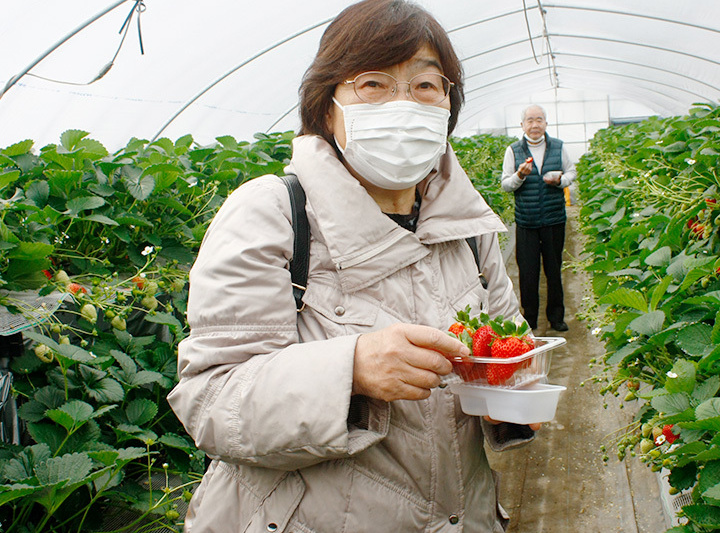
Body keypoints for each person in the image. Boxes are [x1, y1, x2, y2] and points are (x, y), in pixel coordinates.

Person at [167, 1, 544, 532]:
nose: (404, 104)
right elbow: (211, 402)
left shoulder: (469, 227)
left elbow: (512, 354)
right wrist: (351, 371)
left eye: (425, 85)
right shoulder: (273, 214)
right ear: (327, 108)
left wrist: (508, 396)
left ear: (447, 106)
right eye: (372, 84)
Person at [500, 105, 577, 332]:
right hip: (527, 222)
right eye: (530, 120)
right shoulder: (513, 150)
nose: (535, 125)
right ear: (522, 124)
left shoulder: (558, 147)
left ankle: (556, 317)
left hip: (554, 220)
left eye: (539, 120)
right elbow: (506, 184)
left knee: (554, 269)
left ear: (545, 123)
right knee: (528, 272)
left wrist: (561, 180)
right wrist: (520, 175)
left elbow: (572, 172)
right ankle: (530, 318)